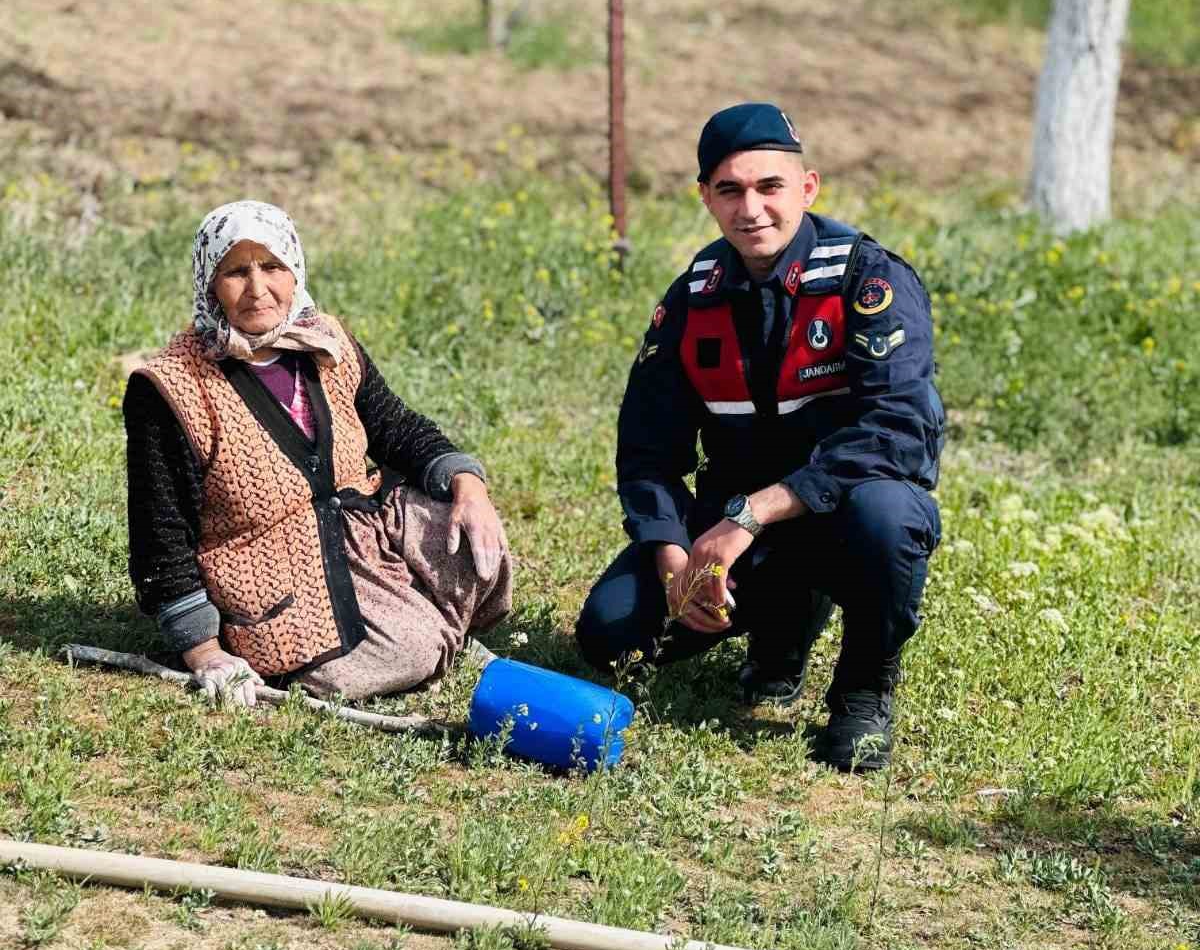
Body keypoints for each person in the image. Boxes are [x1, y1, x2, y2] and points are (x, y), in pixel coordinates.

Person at [576, 104, 944, 772]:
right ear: (705, 198)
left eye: (770, 186)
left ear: (807, 187)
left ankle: (862, 693)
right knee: (610, 635)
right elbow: (647, 449)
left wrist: (751, 515)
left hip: (839, 515)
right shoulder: (694, 297)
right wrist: (669, 553)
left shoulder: (867, 279)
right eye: (730, 190)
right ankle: (781, 634)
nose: (751, 209)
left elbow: (897, 431)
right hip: (732, 528)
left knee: (889, 517)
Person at [124, 199, 511, 707]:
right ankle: (427, 637)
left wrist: (469, 486)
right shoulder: (172, 387)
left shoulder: (326, 342)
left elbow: (396, 428)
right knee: (410, 651)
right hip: (270, 574)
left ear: (295, 270)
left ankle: (431, 627)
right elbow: (161, 532)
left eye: (272, 266)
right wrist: (204, 652)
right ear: (210, 283)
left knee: (477, 539)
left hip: (362, 542)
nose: (257, 288)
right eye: (236, 272)